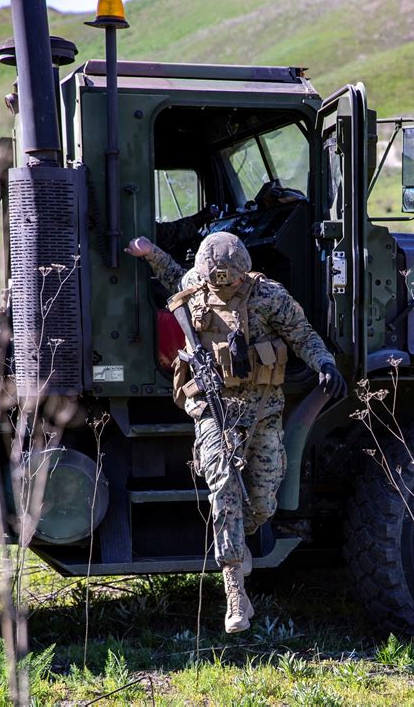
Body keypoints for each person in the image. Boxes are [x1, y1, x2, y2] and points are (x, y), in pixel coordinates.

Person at [124, 232, 346, 633]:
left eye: (233, 280)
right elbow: (174, 273)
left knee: (262, 501)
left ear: (244, 273)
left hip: (262, 410)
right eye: (217, 281)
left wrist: (324, 363)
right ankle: (234, 593)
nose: (227, 286)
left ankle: (237, 542)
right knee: (223, 485)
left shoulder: (269, 296)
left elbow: (303, 335)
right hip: (213, 408)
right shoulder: (196, 287)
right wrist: (149, 252)